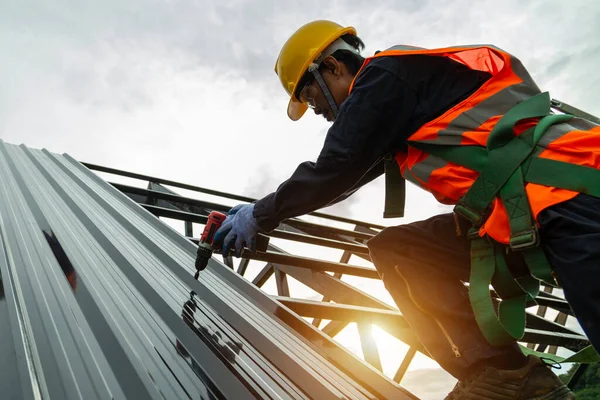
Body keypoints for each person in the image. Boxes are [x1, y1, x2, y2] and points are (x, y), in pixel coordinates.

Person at [214, 20, 600, 399]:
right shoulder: (399, 109)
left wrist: (260, 214)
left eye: (311, 96)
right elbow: (342, 178)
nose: (315, 110)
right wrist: (262, 212)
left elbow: (337, 165)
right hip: (522, 213)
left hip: (570, 197)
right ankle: (507, 376)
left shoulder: (384, 76)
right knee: (399, 251)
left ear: (331, 66)